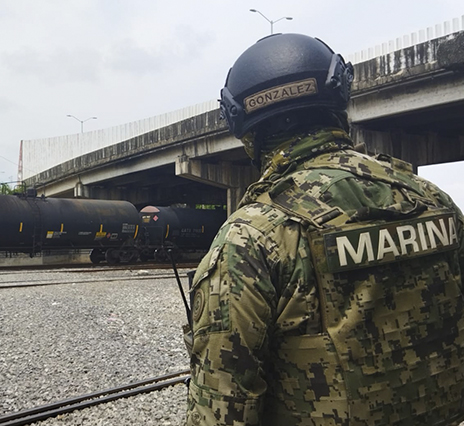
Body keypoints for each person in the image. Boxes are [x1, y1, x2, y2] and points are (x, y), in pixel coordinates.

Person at [184, 33, 464, 426]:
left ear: (244, 127)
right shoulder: (433, 201)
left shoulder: (253, 237)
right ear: (338, 99)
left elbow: (223, 407)